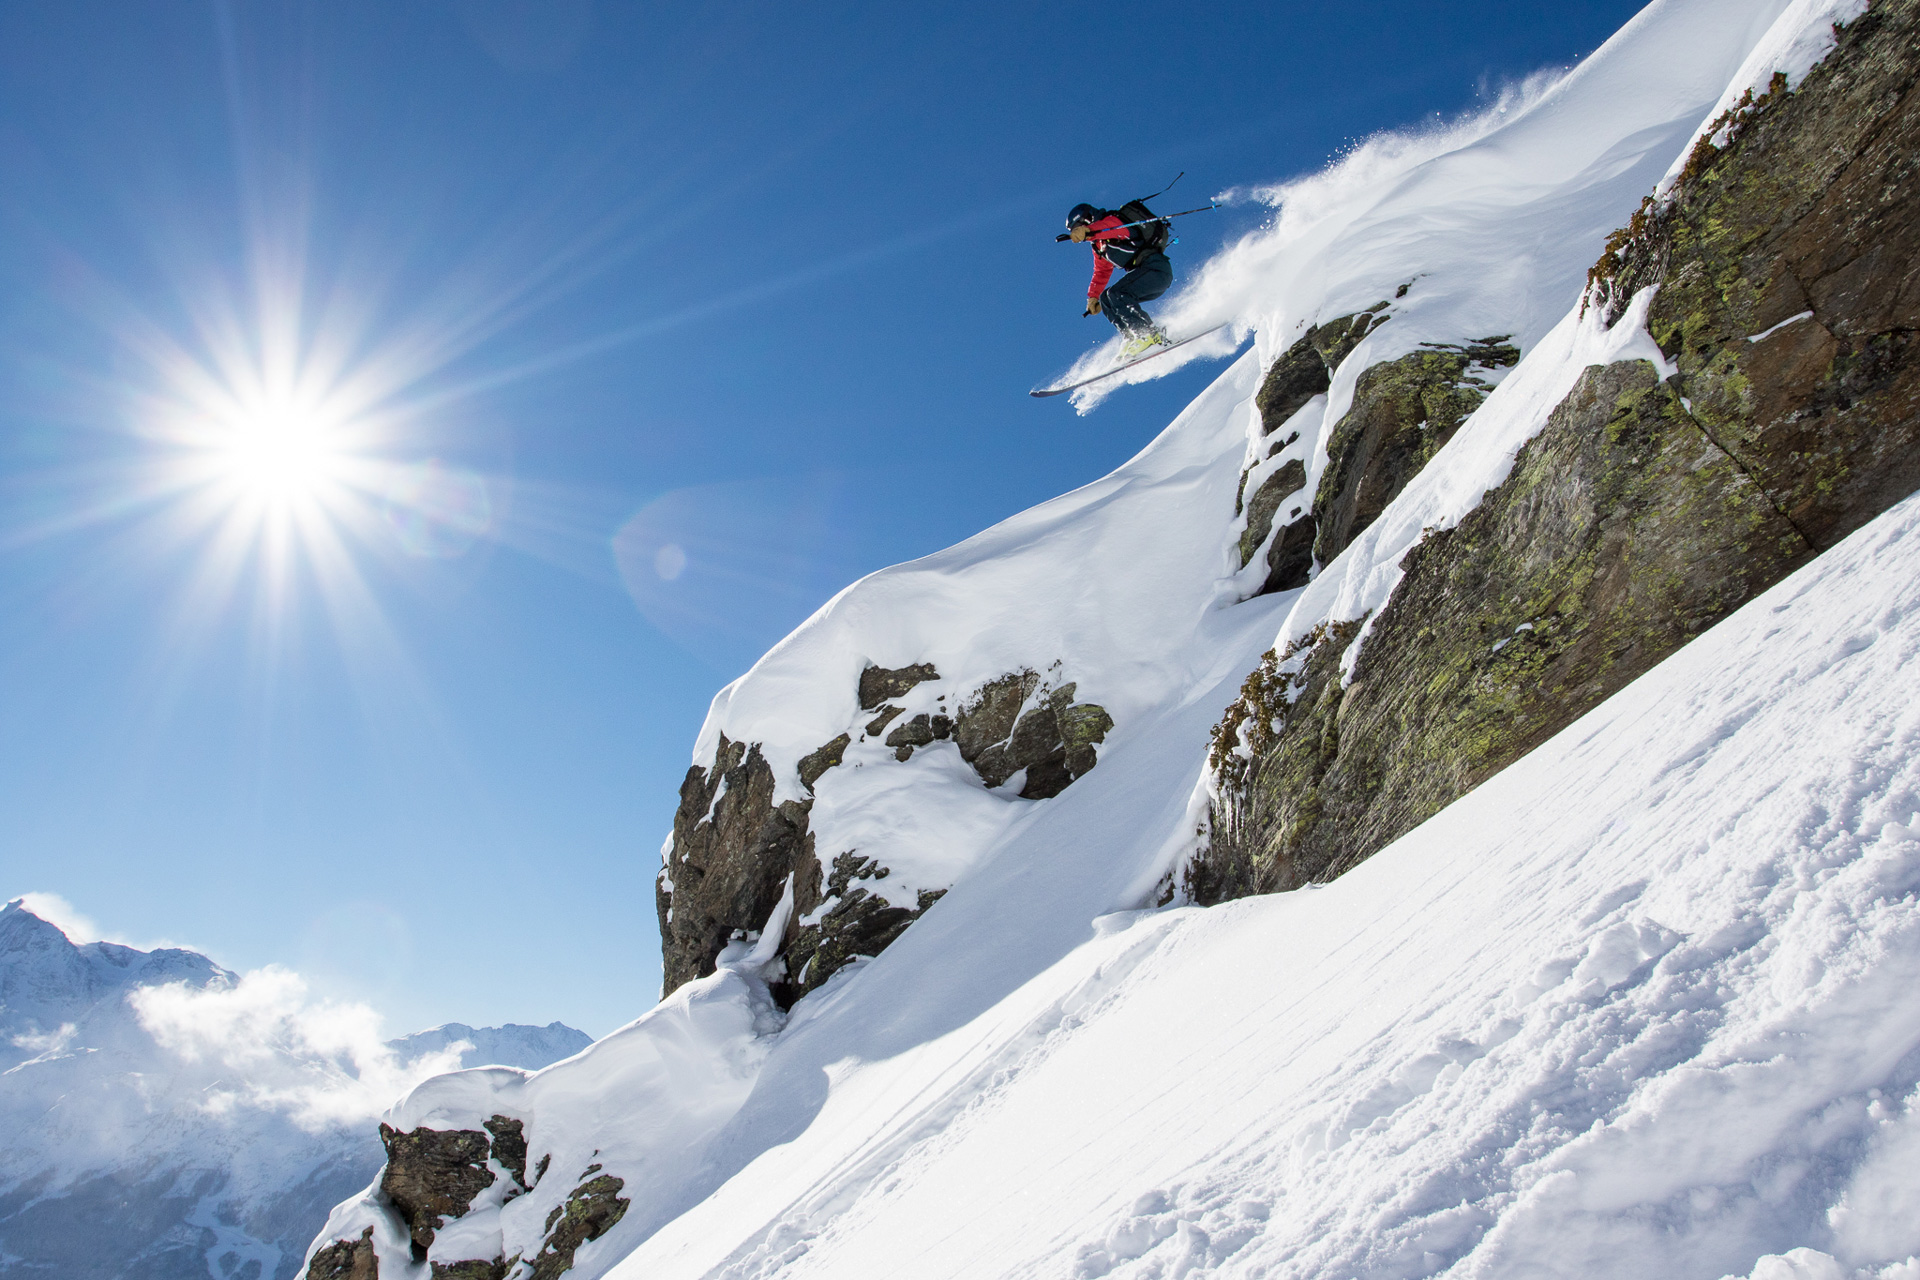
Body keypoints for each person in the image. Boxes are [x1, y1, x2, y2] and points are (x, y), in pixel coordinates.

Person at [1066, 202, 1172, 357]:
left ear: (1087, 221)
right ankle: (1131, 337)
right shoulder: (1099, 245)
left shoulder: (1114, 221)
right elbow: (1101, 271)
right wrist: (1093, 296)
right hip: (1145, 275)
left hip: (1156, 269)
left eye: (1079, 228)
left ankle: (1146, 333)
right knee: (1106, 298)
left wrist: (1089, 230)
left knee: (1117, 293)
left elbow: (1111, 228)